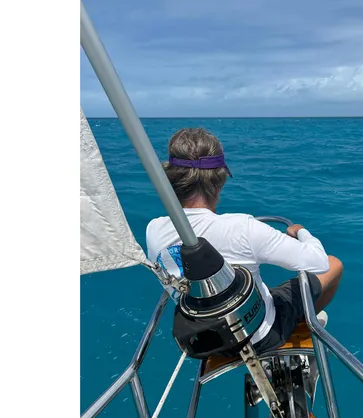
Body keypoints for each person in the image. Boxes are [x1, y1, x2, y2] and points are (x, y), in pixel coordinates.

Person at [146, 127, 343, 353]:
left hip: (202, 341)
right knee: (334, 264)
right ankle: (301, 325)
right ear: (219, 181)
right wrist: (301, 232)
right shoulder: (242, 228)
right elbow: (318, 262)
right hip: (257, 336)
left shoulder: (154, 229)